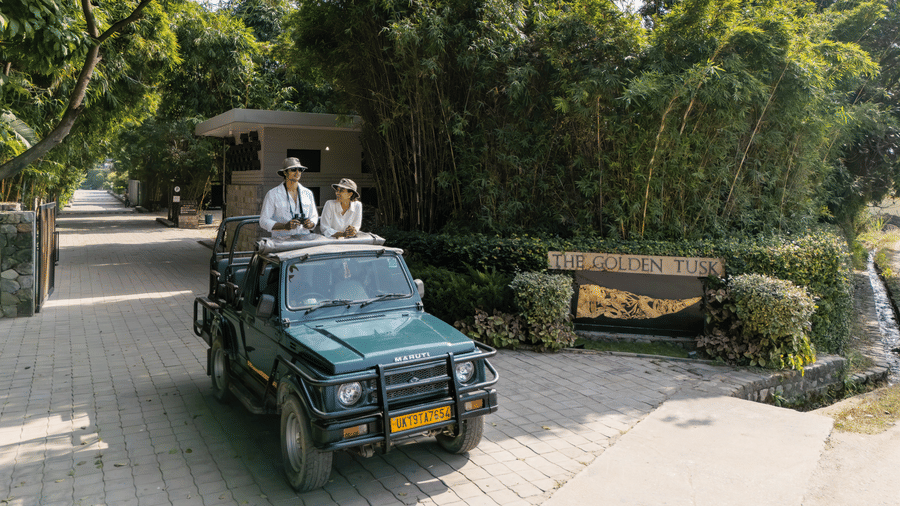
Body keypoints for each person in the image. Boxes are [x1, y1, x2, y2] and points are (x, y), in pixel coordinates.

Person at [259, 157, 319, 237]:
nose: (297, 173)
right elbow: (263, 221)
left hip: (304, 241)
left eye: (300, 170)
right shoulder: (273, 194)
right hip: (282, 242)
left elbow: (314, 216)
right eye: (293, 169)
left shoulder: (308, 193)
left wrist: (311, 224)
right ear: (285, 172)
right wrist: (285, 226)